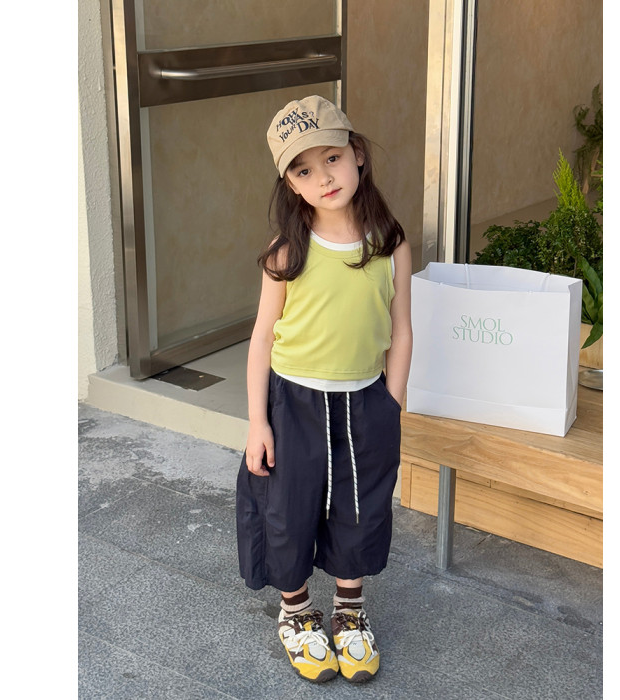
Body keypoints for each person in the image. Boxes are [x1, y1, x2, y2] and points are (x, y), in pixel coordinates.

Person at [236, 95, 412, 684]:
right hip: (294, 401)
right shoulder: (287, 252)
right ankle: (296, 612)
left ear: (357, 154)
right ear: (290, 183)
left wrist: (391, 401)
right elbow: (263, 337)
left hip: (365, 399)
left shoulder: (389, 243)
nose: (323, 177)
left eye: (332, 158)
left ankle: (349, 610)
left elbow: (402, 329)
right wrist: (258, 421)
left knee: (359, 508)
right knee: (289, 508)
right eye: (304, 170)